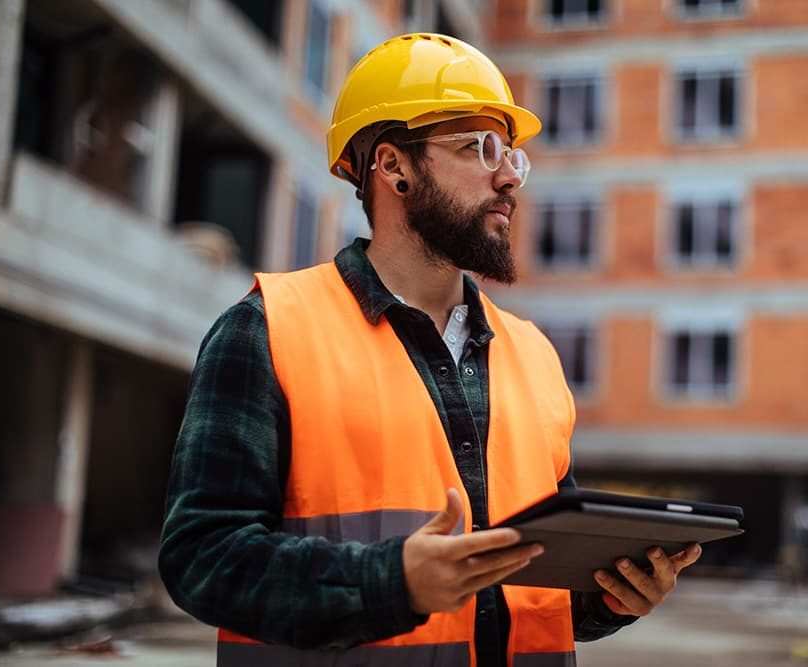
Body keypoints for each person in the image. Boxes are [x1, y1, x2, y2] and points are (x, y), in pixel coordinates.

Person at [158, 32, 702, 667]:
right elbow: (202, 560)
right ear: (394, 167)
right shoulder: (267, 330)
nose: (508, 177)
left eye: (513, 156)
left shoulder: (531, 355)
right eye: (479, 147)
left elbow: (536, 592)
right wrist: (393, 583)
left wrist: (612, 596)